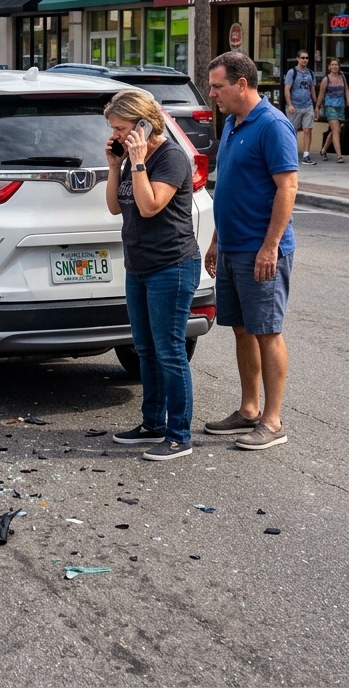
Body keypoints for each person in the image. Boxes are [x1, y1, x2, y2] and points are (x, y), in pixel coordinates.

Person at [204, 52, 298, 451]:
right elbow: (227, 185)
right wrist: (214, 239)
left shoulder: (273, 126)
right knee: (242, 329)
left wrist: (270, 246)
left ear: (242, 84)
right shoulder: (231, 123)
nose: (212, 94)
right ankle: (248, 409)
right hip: (230, 245)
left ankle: (272, 421)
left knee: (267, 331)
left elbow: (287, 188)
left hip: (261, 250)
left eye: (217, 86)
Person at [104, 90, 200, 461]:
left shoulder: (170, 157)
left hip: (171, 266)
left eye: (121, 127)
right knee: (144, 348)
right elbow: (115, 207)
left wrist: (139, 161)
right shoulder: (131, 157)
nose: (116, 135)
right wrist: (116, 165)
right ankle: (152, 424)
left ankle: (179, 434)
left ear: (144, 123)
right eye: (113, 129)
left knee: (170, 350)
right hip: (139, 265)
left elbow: (148, 207)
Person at [284, 50, 317, 164]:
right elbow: (287, 89)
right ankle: (290, 154)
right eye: (302, 58)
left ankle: (306, 155)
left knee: (307, 130)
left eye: (306, 58)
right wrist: (290, 105)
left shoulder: (310, 73)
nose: (305, 60)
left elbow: (312, 89)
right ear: (297, 59)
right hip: (295, 106)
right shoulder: (292, 72)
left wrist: (316, 105)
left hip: (308, 106)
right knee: (292, 131)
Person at [316, 57, 348, 162]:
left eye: (336, 65)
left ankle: (324, 150)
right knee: (336, 130)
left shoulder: (342, 77)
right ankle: (339, 156)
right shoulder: (326, 79)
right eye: (332, 65)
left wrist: (348, 102)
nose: (335, 66)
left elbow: (347, 90)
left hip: (341, 107)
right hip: (330, 107)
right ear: (329, 67)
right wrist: (317, 106)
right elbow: (321, 94)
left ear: (339, 66)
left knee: (335, 131)